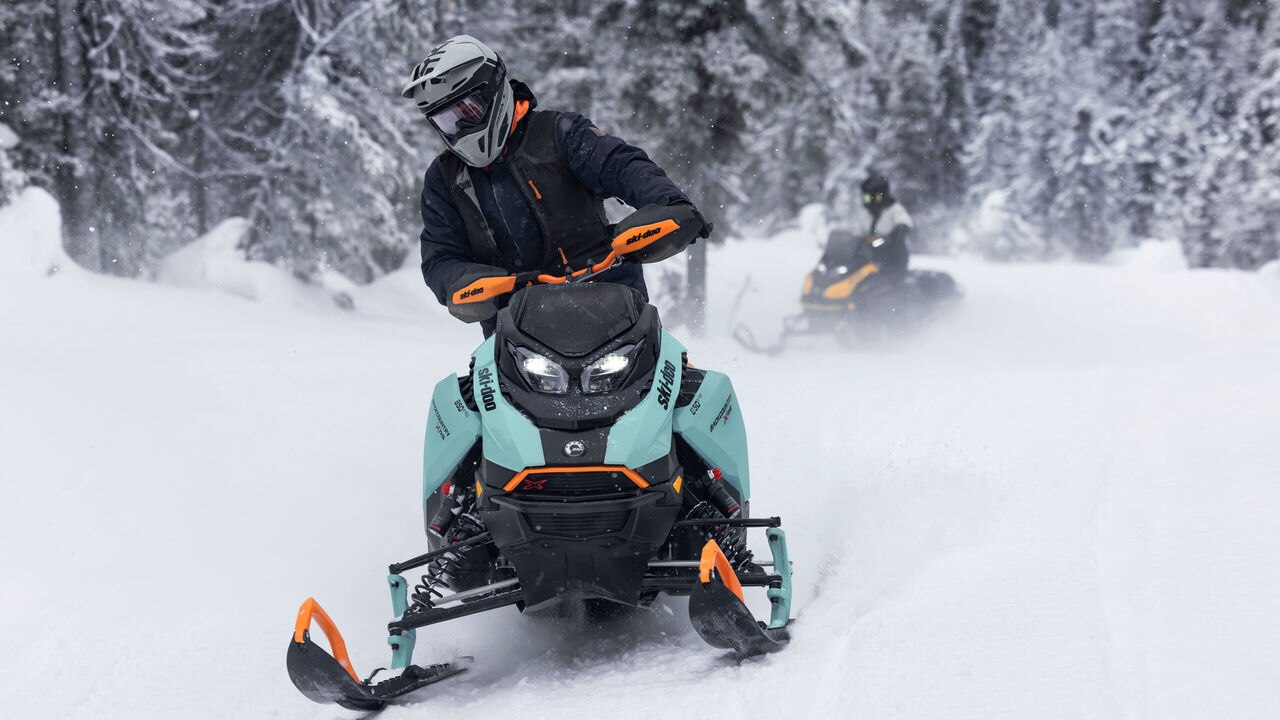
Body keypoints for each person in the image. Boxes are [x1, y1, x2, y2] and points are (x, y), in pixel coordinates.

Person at [403, 35, 709, 336]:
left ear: (493, 91)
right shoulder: (444, 178)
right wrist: (464, 282)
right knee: (465, 375)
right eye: (446, 120)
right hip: (514, 331)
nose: (458, 127)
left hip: (612, 307)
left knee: (679, 369)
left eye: (467, 111)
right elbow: (440, 256)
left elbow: (621, 166)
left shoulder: (561, 134)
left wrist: (669, 202)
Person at [848, 173, 913, 281]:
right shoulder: (865, 213)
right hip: (868, 256)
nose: (871, 200)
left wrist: (893, 236)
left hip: (891, 256)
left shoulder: (894, 209)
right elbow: (857, 232)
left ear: (883, 195)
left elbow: (904, 224)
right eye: (868, 197)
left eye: (876, 197)